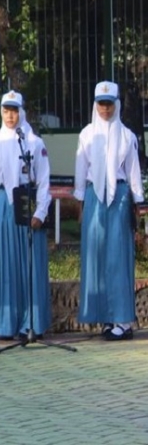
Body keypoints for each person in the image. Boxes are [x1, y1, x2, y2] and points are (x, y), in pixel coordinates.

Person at [74, 81, 144, 341]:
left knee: (118, 258)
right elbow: (81, 170)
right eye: (101, 104)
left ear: (117, 104)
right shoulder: (87, 135)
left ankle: (123, 321)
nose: (105, 109)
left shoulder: (127, 136)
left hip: (120, 198)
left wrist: (138, 203)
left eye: (109, 104)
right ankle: (105, 316)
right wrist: (80, 203)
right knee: (96, 256)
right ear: (95, 105)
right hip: (94, 196)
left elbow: (133, 172)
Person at [0, 91, 52, 340]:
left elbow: (43, 180)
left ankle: (31, 323)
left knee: (31, 264)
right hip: (5, 205)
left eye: (14, 110)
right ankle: (6, 322)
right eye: (6, 111)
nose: (10, 116)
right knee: (8, 264)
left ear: (22, 112)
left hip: (28, 203)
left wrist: (41, 211)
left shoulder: (34, 143)